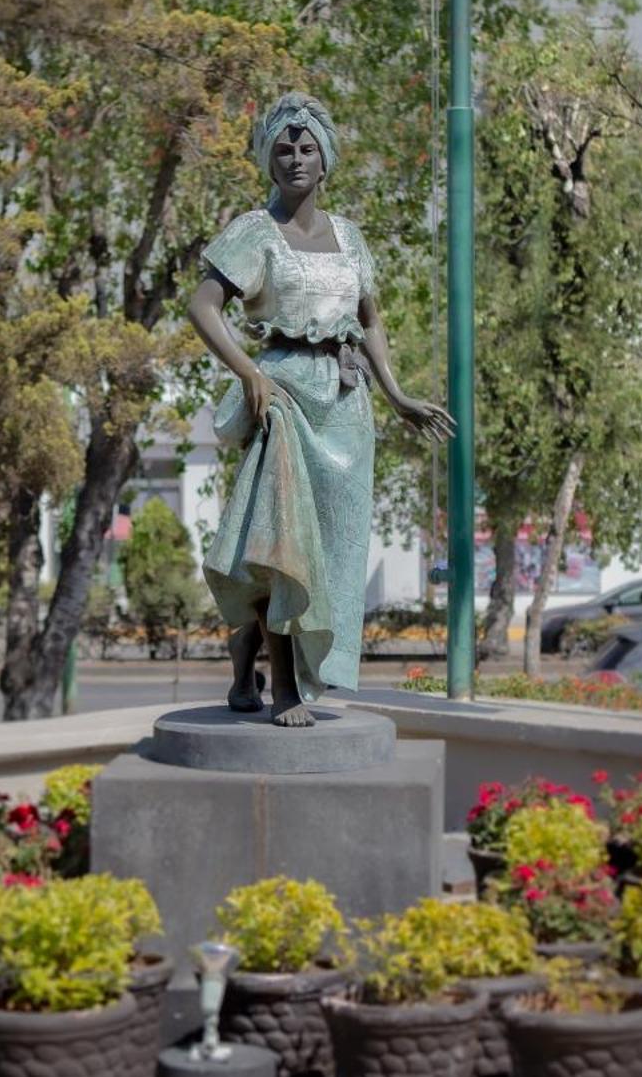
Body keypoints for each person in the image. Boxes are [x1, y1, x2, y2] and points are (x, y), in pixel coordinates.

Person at [188, 93, 454, 727]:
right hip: (282, 397)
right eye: (284, 148)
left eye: (307, 148)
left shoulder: (351, 237)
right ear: (268, 159)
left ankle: (249, 667)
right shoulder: (254, 231)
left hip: (345, 403)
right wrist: (248, 371)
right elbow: (203, 306)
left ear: (326, 158)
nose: (296, 158)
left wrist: (395, 393)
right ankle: (283, 690)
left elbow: (370, 319)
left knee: (330, 549)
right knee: (283, 545)